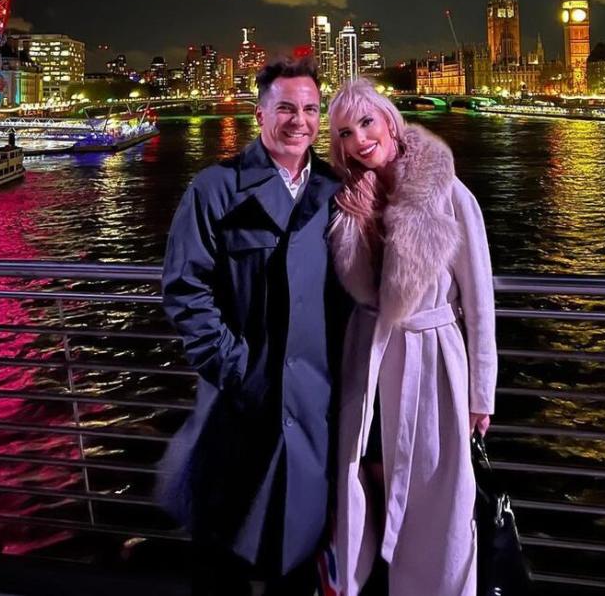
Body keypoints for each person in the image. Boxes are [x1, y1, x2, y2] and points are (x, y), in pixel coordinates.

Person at [157, 56, 343, 596]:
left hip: (312, 404)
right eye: (285, 108)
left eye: (310, 109)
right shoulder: (214, 189)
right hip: (239, 402)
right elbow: (184, 288)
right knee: (224, 549)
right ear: (260, 113)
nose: (299, 121)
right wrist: (237, 369)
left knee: (299, 551)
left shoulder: (336, 193)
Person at [327, 78, 498, 596]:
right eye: (346, 131)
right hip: (370, 365)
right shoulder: (347, 201)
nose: (360, 138)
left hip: (434, 362)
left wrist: (481, 391)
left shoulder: (445, 191)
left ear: (388, 120)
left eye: (367, 122)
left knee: (436, 495)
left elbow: (479, 294)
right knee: (369, 483)